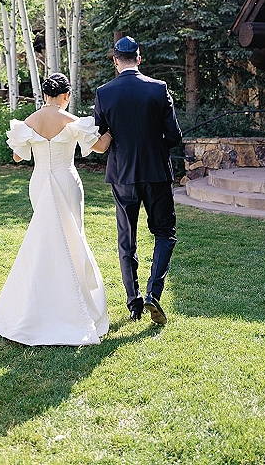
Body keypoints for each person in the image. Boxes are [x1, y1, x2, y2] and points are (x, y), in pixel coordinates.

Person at [0, 73, 112, 346]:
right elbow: (100, 148)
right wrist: (114, 128)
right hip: (66, 181)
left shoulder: (29, 122)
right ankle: (71, 305)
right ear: (66, 96)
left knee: (45, 241)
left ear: (45, 95)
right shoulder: (71, 121)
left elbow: (18, 156)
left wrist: (34, 141)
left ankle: (38, 306)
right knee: (71, 242)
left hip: (40, 182)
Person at [94, 36, 182, 325]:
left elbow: (101, 138)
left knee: (126, 240)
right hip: (156, 173)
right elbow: (174, 137)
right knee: (164, 232)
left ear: (116, 61)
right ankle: (153, 293)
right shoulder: (159, 89)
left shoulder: (104, 93)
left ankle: (133, 304)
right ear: (139, 59)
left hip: (122, 176)